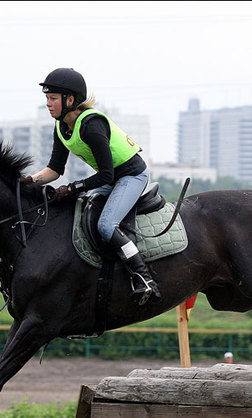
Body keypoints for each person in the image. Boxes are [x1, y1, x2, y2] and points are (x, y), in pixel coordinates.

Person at [23, 67, 161, 306]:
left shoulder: (91, 125)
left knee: (106, 225)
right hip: (110, 179)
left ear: (70, 100)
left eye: (53, 98)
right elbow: (54, 170)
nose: (48, 104)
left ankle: (144, 278)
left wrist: (73, 187)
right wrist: (28, 181)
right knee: (78, 209)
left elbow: (106, 175)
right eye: (47, 98)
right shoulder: (61, 127)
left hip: (131, 176)